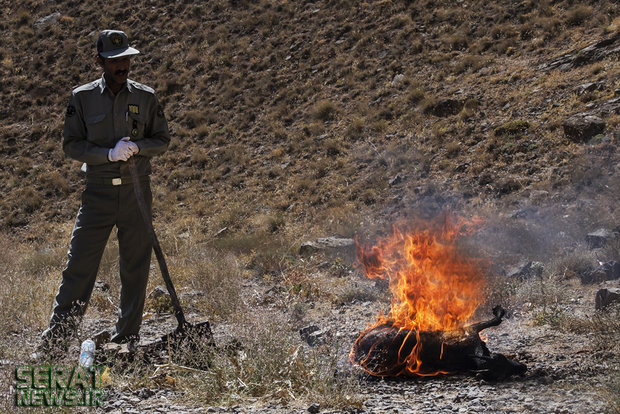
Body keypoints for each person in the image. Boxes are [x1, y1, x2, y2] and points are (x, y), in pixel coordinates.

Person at [37, 29, 170, 356]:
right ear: (100, 61)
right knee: (79, 266)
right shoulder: (82, 98)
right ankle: (55, 344)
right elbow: (71, 145)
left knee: (135, 266)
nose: (122, 65)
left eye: (126, 58)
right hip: (97, 194)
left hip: (136, 194)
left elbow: (162, 140)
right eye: (114, 60)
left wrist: (138, 146)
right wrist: (107, 154)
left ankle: (125, 338)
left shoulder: (145, 97)